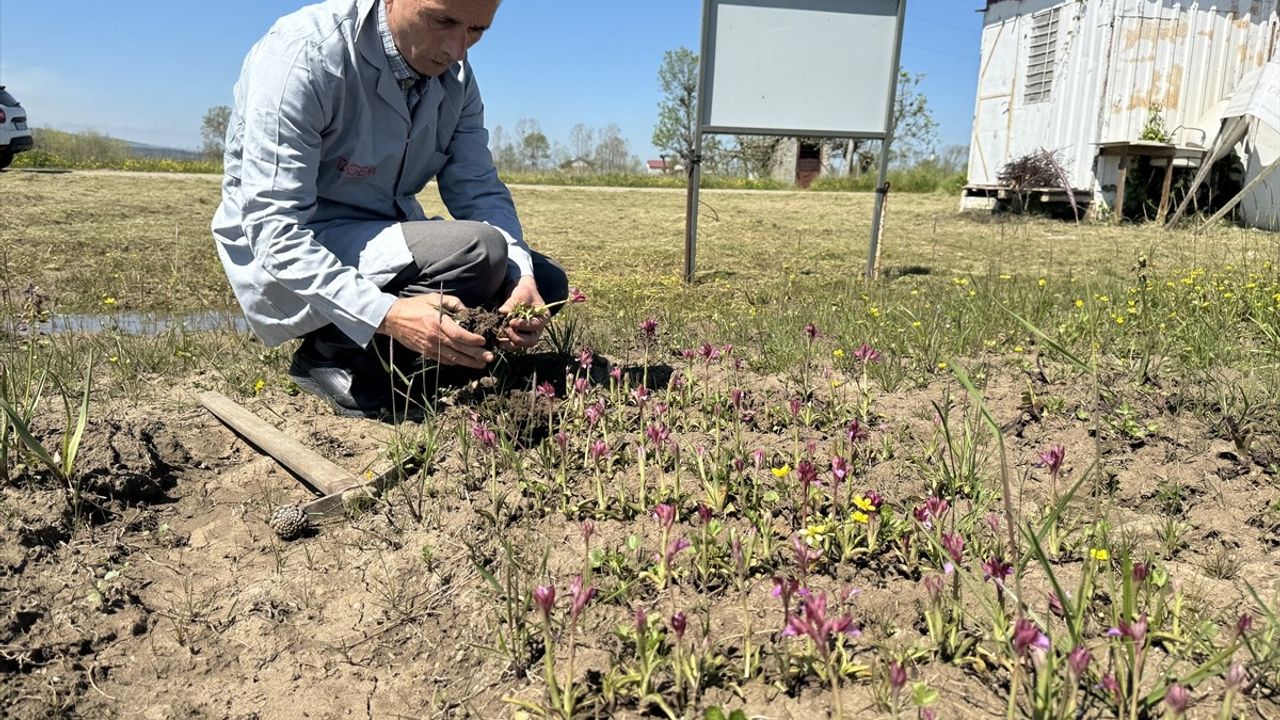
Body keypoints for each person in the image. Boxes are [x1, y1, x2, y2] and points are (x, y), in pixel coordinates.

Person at [212, 0, 567, 418]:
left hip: (377, 230)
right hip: (300, 239)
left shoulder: (456, 77)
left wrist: (521, 276)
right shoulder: (303, 54)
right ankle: (333, 355)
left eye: (476, 30)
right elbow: (274, 228)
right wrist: (388, 312)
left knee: (543, 283)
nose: (458, 50)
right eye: (443, 21)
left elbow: (480, 190)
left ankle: (433, 360)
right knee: (480, 252)